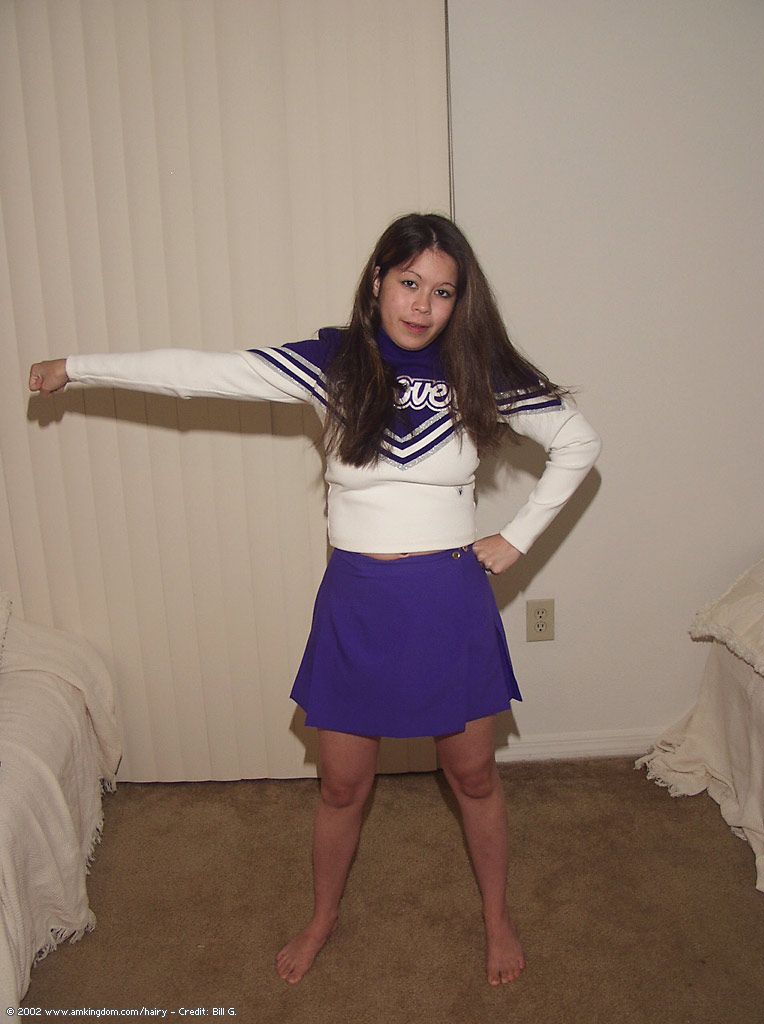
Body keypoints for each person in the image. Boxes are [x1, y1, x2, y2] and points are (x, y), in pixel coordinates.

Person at [29, 212, 601, 987]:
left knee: (472, 777)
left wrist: (519, 537)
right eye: (409, 283)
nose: (422, 305)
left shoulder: (476, 369)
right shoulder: (334, 363)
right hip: (357, 601)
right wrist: (76, 366)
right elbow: (200, 372)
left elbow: (578, 440)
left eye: (442, 291)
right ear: (379, 279)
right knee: (340, 785)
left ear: (459, 301)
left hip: (448, 602)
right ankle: (323, 915)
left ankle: (498, 919)